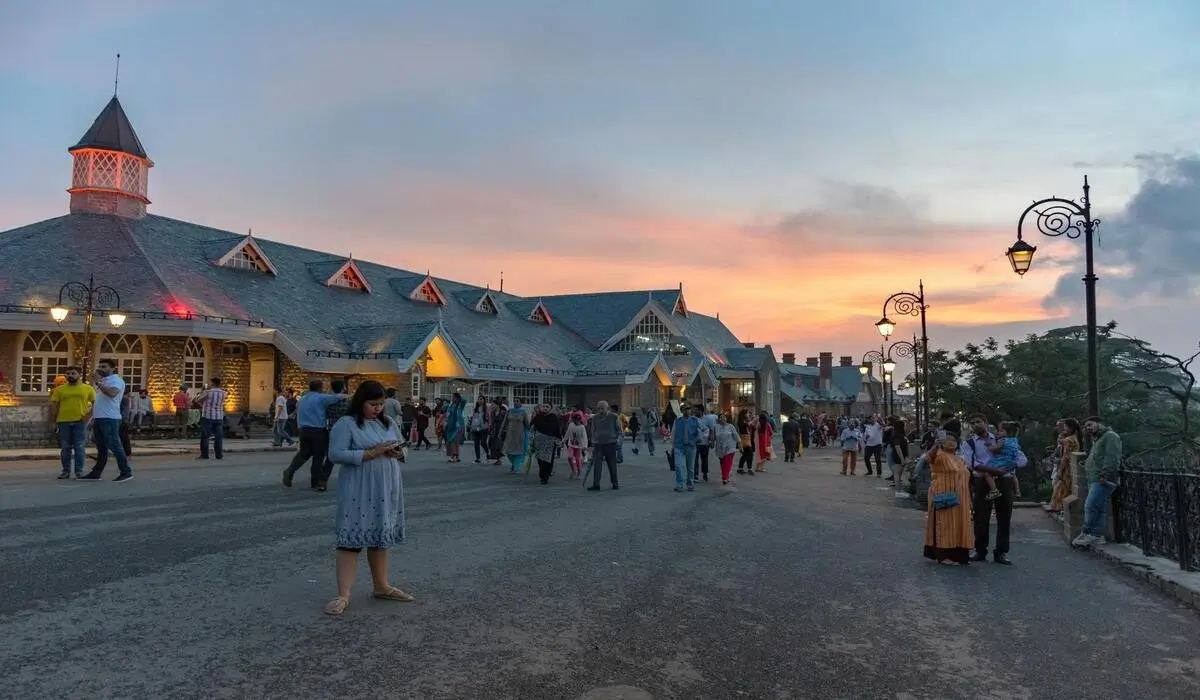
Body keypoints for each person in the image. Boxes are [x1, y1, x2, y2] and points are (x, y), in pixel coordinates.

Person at [323, 380, 411, 616]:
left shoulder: (388, 422)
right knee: (350, 541)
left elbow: (403, 446)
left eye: (381, 404)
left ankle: (382, 586)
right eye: (373, 404)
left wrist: (398, 452)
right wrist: (371, 453)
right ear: (361, 402)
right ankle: (343, 594)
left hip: (386, 486)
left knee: (380, 538)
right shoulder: (347, 424)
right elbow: (335, 453)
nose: (378, 409)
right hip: (358, 487)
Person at [961, 414, 1012, 565]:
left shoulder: (1000, 439)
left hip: (1004, 479)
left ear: (986, 422)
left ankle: (1001, 552)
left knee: (1004, 515)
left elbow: (1016, 457)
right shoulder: (969, 443)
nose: (975, 425)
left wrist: (1006, 468)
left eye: (978, 422)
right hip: (982, 480)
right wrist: (992, 470)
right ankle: (980, 550)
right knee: (981, 516)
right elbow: (971, 463)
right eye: (972, 423)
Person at [283, 379, 350, 490]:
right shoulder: (321, 398)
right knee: (319, 456)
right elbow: (338, 397)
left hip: (303, 430)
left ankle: (290, 470)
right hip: (318, 430)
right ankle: (315, 480)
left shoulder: (302, 400)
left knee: (304, 453)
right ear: (320, 388)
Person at [923, 434, 975, 566]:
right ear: (941, 443)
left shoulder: (959, 459)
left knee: (960, 525)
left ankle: (959, 555)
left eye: (953, 440)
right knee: (945, 524)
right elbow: (928, 458)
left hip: (961, 498)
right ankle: (943, 555)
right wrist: (935, 446)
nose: (951, 442)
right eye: (947, 440)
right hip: (944, 495)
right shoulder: (939, 455)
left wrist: (969, 499)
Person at [1073, 417, 1123, 549]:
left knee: (1091, 506)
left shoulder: (1110, 437)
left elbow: (1112, 457)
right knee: (1100, 508)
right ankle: (1097, 535)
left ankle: (1087, 532)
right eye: (1085, 427)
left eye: (1090, 425)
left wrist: (1104, 474)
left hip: (1102, 479)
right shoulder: (1098, 439)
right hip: (1093, 477)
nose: (1087, 428)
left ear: (1099, 423)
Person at [80, 359, 133, 482]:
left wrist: (98, 383)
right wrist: (92, 416)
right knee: (101, 447)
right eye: (100, 366)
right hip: (100, 418)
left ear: (112, 368)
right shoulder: (103, 381)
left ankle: (126, 471)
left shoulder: (116, 380)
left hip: (110, 418)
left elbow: (112, 393)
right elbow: (99, 401)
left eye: (104, 367)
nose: (100, 369)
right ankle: (96, 473)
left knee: (115, 445)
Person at [48, 366, 95, 479]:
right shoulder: (59, 390)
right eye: (68, 373)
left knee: (79, 447)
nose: (70, 375)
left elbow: (95, 404)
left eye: (73, 373)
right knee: (65, 448)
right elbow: (53, 406)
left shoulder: (88, 388)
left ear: (79, 375)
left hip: (80, 421)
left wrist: (88, 417)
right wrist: (52, 422)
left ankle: (79, 471)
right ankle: (66, 471)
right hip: (63, 421)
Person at [984, 421, 1022, 500]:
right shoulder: (1014, 439)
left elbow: (994, 449)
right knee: (1013, 475)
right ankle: (1017, 490)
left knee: (987, 473)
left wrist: (988, 445)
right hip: (1012, 461)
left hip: (1003, 460)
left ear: (1008, 432)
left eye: (1001, 431)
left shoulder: (1002, 440)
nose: (998, 433)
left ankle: (994, 490)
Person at [587, 401, 621, 491]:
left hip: (611, 443)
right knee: (597, 465)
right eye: (599, 408)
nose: (600, 410)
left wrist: (618, 441)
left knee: (612, 465)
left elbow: (620, 430)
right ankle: (596, 484)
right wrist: (593, 441)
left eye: (602, 408)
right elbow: (593, 430)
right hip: (599, 444)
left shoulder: (614, 417)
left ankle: (615, 483)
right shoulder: (595, 418)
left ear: (607, 408)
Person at [1049, 419, 1082, 512]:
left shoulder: (1068, 440)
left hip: (1067, 468)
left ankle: (1059, 508)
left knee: (1061, 488)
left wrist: (1061, 470)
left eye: (1065, 426)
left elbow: (1066, 457)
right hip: (1072, 466)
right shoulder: (1075, 438)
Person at [194, 377, 228, 460]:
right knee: (218, 437)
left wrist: (202, 393)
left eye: (209, 382)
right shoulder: (224, 393)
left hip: (207, 416)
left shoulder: (208, 392)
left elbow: (197, 400)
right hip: (219, 417)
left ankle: (205, 455)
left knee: (205, 436)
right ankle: (219, 455)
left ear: (212, 383)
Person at [531, 403, 563, 484]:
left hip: (549, 441)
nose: (545, 408)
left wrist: (558, 439)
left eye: (547, 407)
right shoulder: (539, 416)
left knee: (547, 459)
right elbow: (532, 424)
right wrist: (536, 414)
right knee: (539, 458)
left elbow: (556, 428)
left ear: (551, 408)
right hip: (539, 441)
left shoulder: (553, 417)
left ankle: (544, 477)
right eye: (543, 406)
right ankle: (544, 474)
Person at [671, 405, 700, 492]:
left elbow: (703, 430)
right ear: (682, 411)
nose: (687, 411)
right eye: (685, 410)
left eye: (689, 409)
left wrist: (696, 440)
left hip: (691, 446)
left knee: (690, 467)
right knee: (678, 466)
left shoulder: (695, 421)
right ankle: (680, 484)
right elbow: (673, 434)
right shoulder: (677, 421)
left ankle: (690, 483)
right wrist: (672, 446)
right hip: (679, 446)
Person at [502, 399, 530, 473]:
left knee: (518, 451)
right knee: (508, 451)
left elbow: (527, 424)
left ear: (520, 403)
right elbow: (505, 421)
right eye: (514, 401)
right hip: (510, 434)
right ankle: (514, 464)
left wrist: (530, 433)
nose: (515, 403)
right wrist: (501, 431)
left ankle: (515, 466)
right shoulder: (510, 411)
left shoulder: (523, 412)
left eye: (517, 401)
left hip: (519, 435)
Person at [713, 412, 740, 485]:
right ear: (718, 419)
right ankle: (726, 475)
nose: (723, 418)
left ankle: (724, 478)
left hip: (730, 448)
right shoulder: (716, 427)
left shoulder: (731, 426)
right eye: (721, 417)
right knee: (722, 463)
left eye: (724, 417)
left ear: (726, 418)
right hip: (720, 448)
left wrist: (740, 446)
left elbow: (736, 436)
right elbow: (714, 437)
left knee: (727, 462)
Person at [563, 412, 588, 479]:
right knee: (570, 457)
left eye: (577, 420)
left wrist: (585, 446)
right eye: (574, 420)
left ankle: (579, 473)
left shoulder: (582, 427)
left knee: (577, 459)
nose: (575, 421)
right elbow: (567, 433)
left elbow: (585, 437)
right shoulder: (571, 425)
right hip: (571, 444)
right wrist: (563, 441)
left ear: (580, 420)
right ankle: (573, 470)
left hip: (579, 446)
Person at [695, 404, 716, 481]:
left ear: (700, 411)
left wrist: (712, 441)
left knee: (704, 459)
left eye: (696, 410)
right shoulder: (693, 419)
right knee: (695, 459)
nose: (694, 411)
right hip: (695, 443)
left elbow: (712, 430)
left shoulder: (708, 419)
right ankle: (695, 475)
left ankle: (705, 473)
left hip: (705, 442)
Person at [443, 393, 465, 463]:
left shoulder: (460, 406)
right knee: (452, 441)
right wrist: (445, 423)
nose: (452, 398)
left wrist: (459, 397)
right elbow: (447, 415)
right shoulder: (450, 406)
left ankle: (453, 456)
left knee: (454, 441)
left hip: (458, 426)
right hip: (450, 425)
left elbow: (464, 401)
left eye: (454, 397)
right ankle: (456, 457)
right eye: (452, 397)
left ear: (457, 398)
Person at [735, 410, 756, 476]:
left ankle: (740, 468)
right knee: (749, 454)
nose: (748, 414)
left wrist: (751, 421)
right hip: (743, 440)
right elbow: (745, 425)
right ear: (744, 414)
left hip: (748, 440)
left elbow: (753, 428)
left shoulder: (746, 420)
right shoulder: (741, 421)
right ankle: (749, 469)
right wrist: (753, 420)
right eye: (747, 413)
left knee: (745, 455)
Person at [468, 399, 488, 463]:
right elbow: (473, 418)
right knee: (476, 444)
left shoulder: (486, 409)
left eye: (482, 399)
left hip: (483, 428)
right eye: (479, 399)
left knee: (483, 443)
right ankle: (478, 458)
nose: (480, 400)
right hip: (475, 428)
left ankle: (488, 454)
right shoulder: (475, 409)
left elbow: (488, 417)